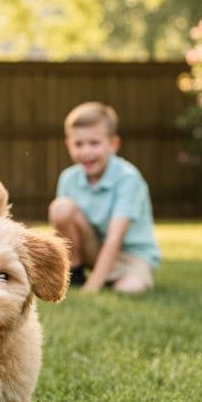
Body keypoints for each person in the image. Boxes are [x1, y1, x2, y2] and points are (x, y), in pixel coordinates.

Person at [48, 101, 161, 294]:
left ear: (113, 144)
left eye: (94, 143)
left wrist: (92, 288)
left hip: (130, 256)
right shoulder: (69, 177)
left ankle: (107, 278)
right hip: (94, 249)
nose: (86, 152)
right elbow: (61, 231)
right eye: (79, 144)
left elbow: (115, 238)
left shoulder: (128, 178)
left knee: (129, 289)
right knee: (61, 208)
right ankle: (74, 273)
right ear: (68, 146)